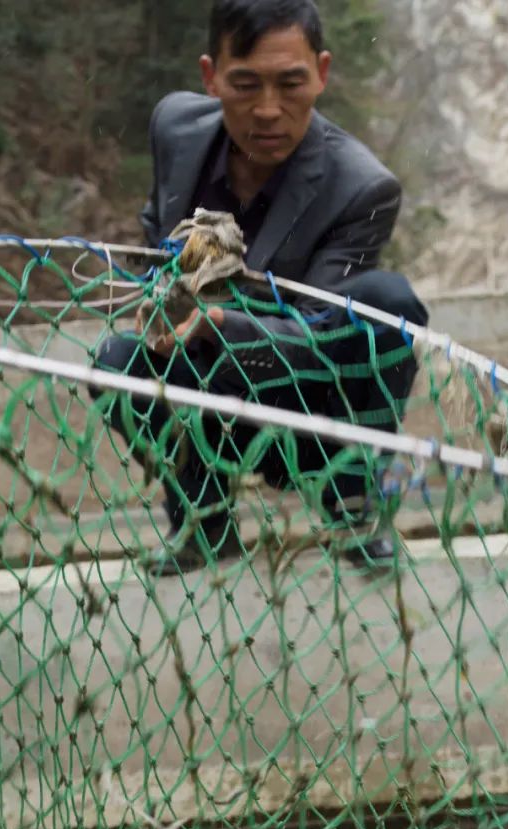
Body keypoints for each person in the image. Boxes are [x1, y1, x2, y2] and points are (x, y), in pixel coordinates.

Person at [96, 0, 428, 572]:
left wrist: (226, 322)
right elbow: (157, 240)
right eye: (245, 85)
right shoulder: (174, 129)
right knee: (115, 358)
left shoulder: (363, 188)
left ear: (321, 74)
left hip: (310, 411)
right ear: (211, 77)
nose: (268, 110)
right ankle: (204, 519)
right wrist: (158, 296)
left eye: (290, 84)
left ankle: (350, 507)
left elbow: (319, 332)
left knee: (388, 302)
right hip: (205, 399)